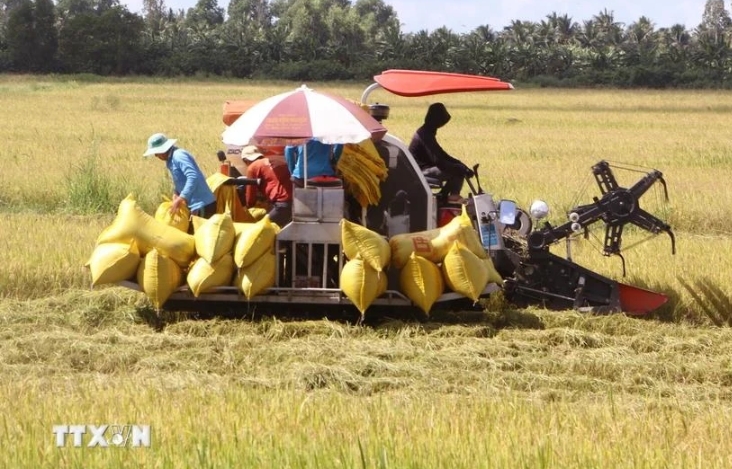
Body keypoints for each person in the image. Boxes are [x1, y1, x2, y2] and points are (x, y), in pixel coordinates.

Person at [408, 102, 474, 204]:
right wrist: (459, 168)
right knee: (456, 170)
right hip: (420, 172)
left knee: (457, 168)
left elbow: (442, 154)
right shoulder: (424, 135)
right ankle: (452, 196)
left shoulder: (427, 132)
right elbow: (438, 160)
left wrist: (461, 164)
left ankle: (444, 196)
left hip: (425, 168)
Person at [143, 133, 217, 218]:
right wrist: (176, 192)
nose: (156, 156)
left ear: (163, 150)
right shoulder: (170, 160)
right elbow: (181, 179)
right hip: (193, 206)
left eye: (156, 152)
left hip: (202, 205)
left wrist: (182, 198)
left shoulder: (178, 156)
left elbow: (193, 176)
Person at [241, 145, 294, 227]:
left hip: (282, 204)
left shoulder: (252, 167)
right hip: (296, 201)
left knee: (262, 229)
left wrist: (247, 210)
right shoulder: (274, 161)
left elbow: (250, 197)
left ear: (245, 160)